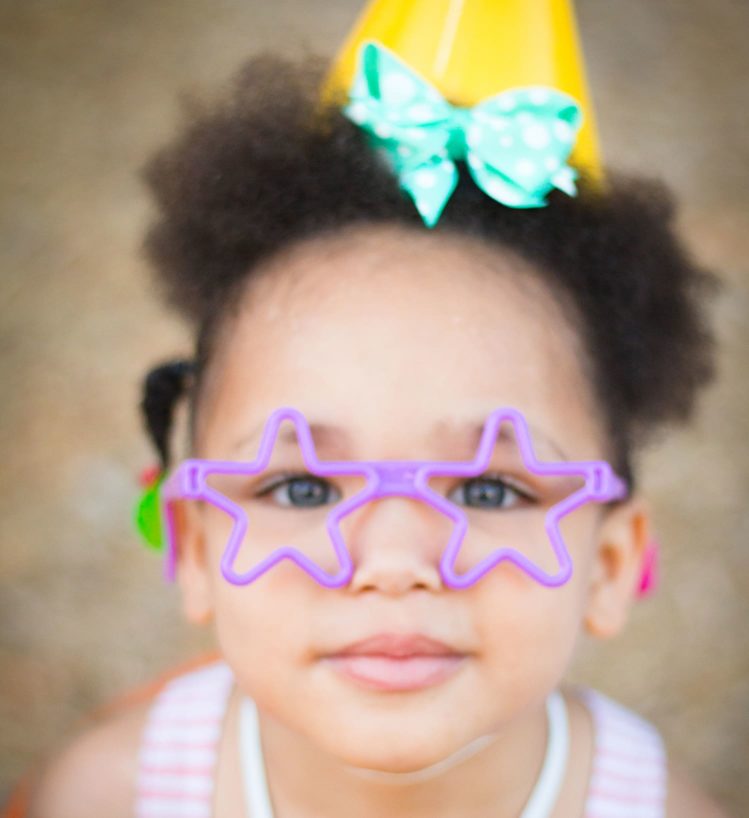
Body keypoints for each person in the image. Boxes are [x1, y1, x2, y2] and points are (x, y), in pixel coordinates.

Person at [12, 2, 732, 816]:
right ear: (194, 544)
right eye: (303, 488)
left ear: (609, 562)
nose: (393, 563)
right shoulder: (104, 797)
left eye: (489, 490)